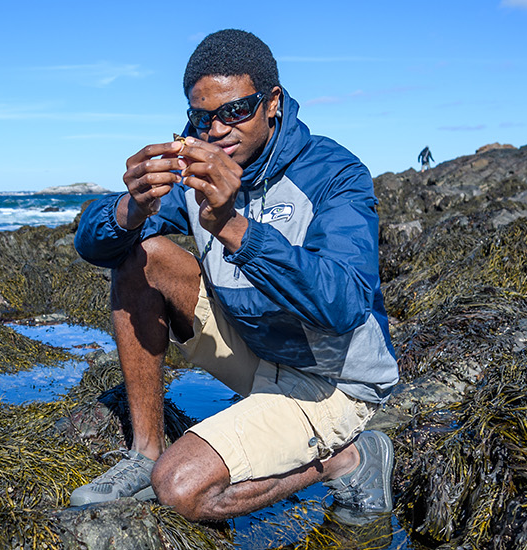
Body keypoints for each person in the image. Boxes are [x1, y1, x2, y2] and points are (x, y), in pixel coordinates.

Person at [71, 29, 399, 522]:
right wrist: (129, 208)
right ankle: (144, 450)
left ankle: (350, 457)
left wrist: (231, 226)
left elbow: (345, 302)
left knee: (181, 491)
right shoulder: (193, 168)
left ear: (272, 103)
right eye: (202, 117)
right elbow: (95, 247)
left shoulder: (335, 173)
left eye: (235, 110)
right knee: (145, 255)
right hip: (254, 352)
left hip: (334, 378)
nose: (217, 129)